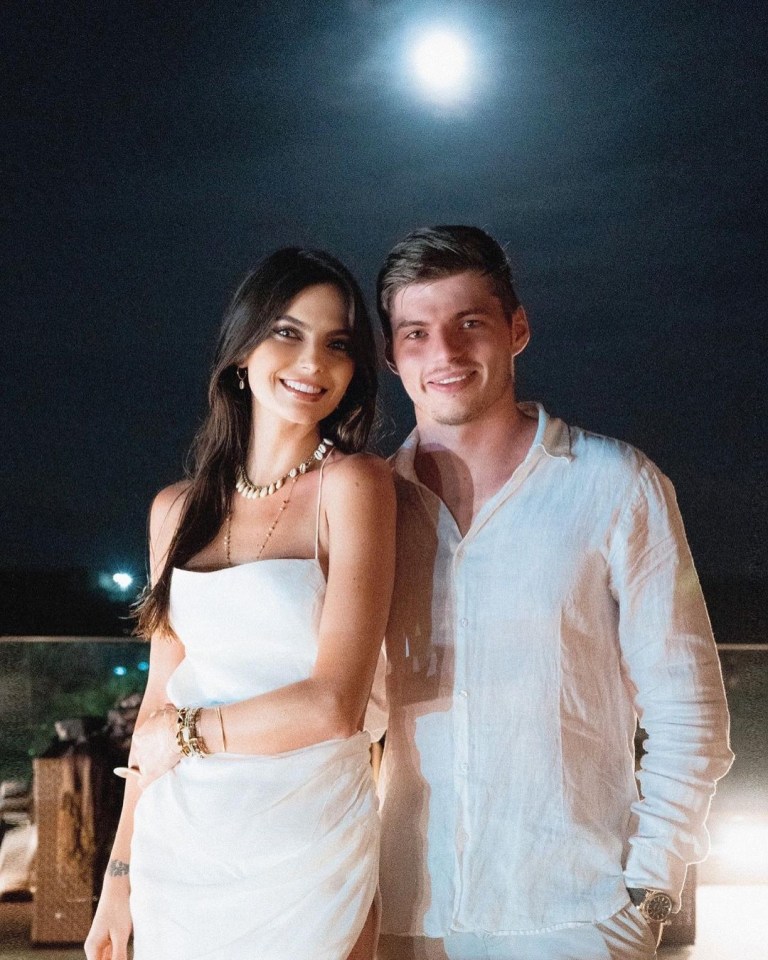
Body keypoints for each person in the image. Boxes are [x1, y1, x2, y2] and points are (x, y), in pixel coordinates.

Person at [373, 225, 733, 960]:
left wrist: (652, 892)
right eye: (416, 332)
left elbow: (688, 703)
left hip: (578, 914)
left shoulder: (615, 484)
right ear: (392, 356)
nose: (443, 352)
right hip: (409, 911)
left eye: (468, 323)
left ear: (517, 329)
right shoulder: (370, 507)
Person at [84, 248, 396, 960]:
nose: (313, 361)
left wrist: (190, 733)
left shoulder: (355, 487)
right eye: (288, 332)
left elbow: (334, 705)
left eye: (337, 344)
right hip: (182, 844)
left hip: (306, 845)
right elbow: (157, 702)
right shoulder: (175, 511)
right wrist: (120, 874)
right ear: (239, 353)